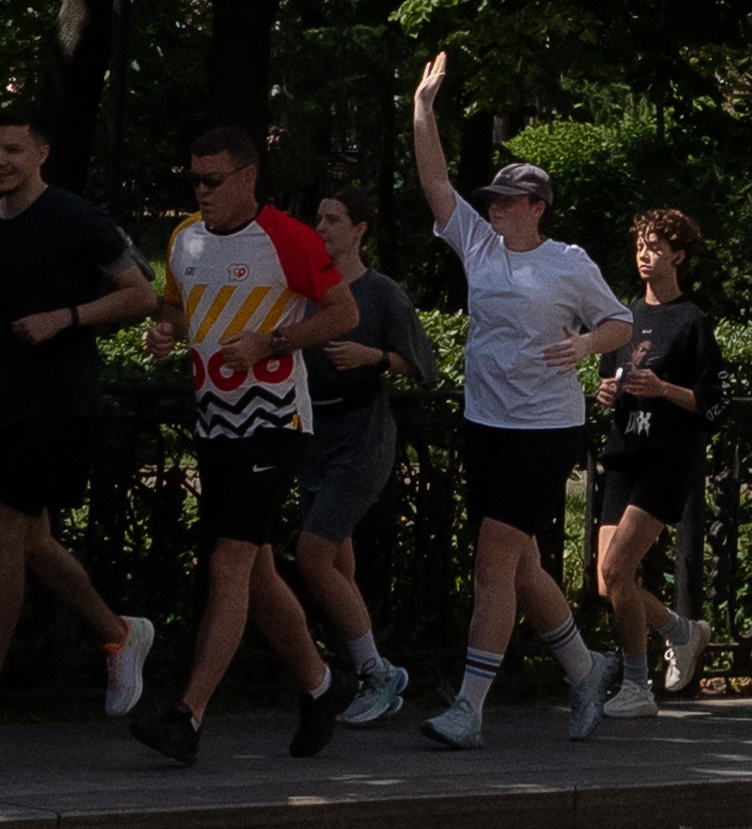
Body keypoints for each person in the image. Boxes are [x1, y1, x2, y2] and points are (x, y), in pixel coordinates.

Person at [410, 52, 631, 749]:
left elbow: (620, 323)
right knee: (522, 565)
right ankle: (586, 669)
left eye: (508, 200)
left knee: (491, 564)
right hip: (486, 424)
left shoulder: (569, 263)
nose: (495, 208)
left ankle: (469, 709)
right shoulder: (479, 246)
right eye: (494, 200)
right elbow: (436, 181)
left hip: (544, 429)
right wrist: (423, 109)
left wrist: (586, 346)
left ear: (538, 207)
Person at [130, 120, 361, 765]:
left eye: (213, 180)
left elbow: (344, 312)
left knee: (228, 565)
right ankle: (322, 686)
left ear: (247, 177)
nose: (201, 191)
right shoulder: (184, 238)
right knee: (254, 569)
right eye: (194, 180)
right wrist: (165, 331)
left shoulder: (288, 237)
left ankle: (187, 717)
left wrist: (272, 342)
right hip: (215, 422)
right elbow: (176, 307)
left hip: (274, 422)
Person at [0, 99, 156, 714]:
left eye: (13, 149)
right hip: (6, 398)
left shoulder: (75, 216)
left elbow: (141, 294)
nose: (2, 160)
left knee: (5, 532)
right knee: (33, 541)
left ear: (41, 153)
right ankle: (119, 633)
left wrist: (64, 318)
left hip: (53, 402)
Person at [298, 189, 437, 727]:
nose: (322, 227)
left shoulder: (382, 293)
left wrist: (372, 357)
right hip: (313, 434)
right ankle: (364, 668)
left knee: (312, 554)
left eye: (333, 219)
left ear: (359, 229)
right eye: (318, 218)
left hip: (362, 437)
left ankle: (376, 672)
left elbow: (422, 366)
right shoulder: (306, 289)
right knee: (337, 564)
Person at [596, 208, 723, 716]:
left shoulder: (692, 322)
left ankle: (637, 686)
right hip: (624, 453)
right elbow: (611, 376)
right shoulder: (623, 317)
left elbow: (714, 403)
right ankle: (681, 631)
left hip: (665, 460)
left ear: (678, 256)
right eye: (640, 247)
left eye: (655, 248)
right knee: (607, 581)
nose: (645, 256)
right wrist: (607, 391)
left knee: (617, 568)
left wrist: (665, 389)